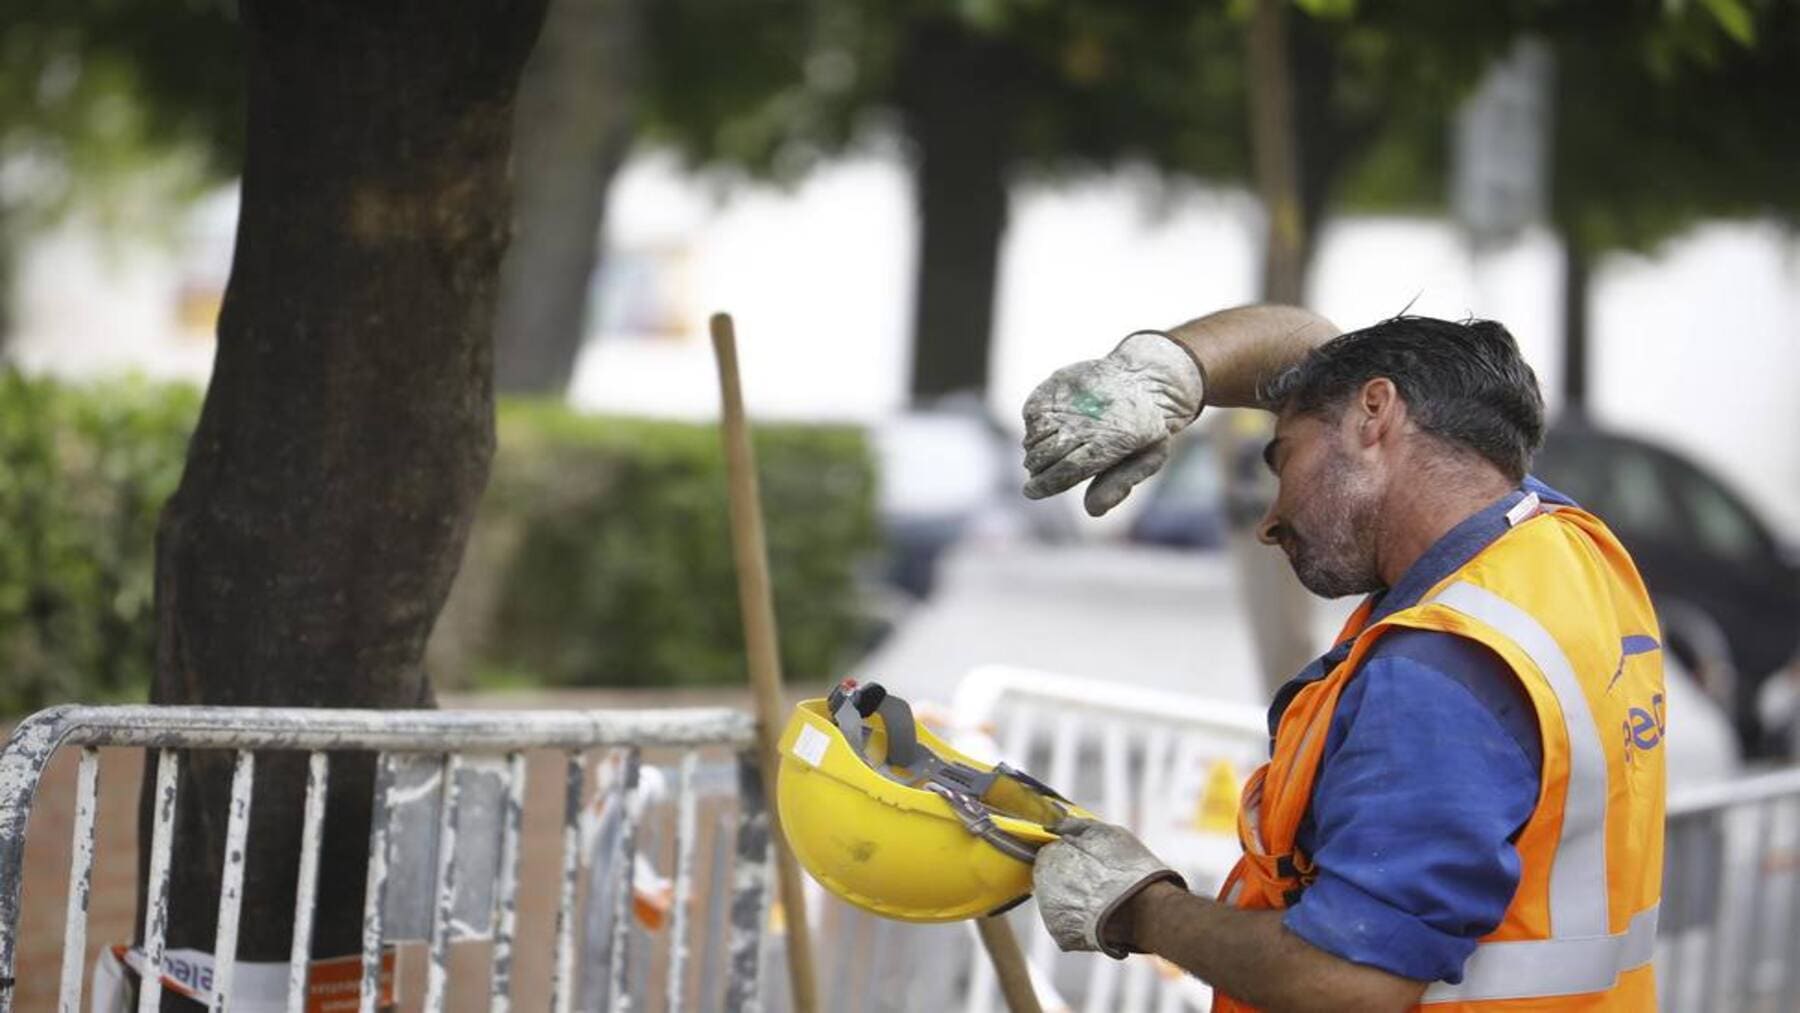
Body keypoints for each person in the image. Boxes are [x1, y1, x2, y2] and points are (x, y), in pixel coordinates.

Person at [1019, 306, 1666, 1011]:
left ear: (1375, 415)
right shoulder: (1558, 547)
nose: (1270, 520)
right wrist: (1164, 372)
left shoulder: (1439, 667)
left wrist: (1137, 907)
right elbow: (1318, 350)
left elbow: (1349, 985)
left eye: (1283, 457)